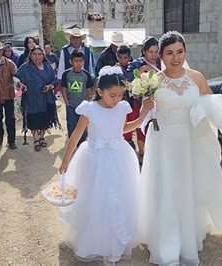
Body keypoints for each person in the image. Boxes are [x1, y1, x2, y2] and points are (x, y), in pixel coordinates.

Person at [136, 31, 222, 265]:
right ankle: (166, 244)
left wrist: (215, 119)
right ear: (161, 56)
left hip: (190, 142)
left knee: (187, 187)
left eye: (179, 52)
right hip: (163, 142)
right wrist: (145, 108)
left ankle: (187, 236)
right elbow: (146, 116)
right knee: (166, 188)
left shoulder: (196, 77)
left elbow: (210, 102)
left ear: (185, 52)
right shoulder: (153, 81)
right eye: (169, 53)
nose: (175, 58)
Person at [58, 66, 154, 263]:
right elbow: (77, 134)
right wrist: (66, 159)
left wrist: (143, 115)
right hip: (95, 158)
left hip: (119, 156)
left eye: (120, 95)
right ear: (100, 91)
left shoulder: (122, 107)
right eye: (112, 95)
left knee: (119, 197)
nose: (117, 99)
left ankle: (117, 239)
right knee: (96, 199)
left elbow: (125, 128)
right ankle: (95, 240)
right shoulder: (90, 109)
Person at [15, 46, 58, 151]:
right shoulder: (25, 67)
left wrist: (50, 86)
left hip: (46, 97)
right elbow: (16, 78)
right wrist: (21, 84)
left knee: (44, 118)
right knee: (34, 118)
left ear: (43, 56)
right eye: (34, 54)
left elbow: (54, 79)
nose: (37, 56)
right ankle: (35, 138)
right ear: (30, 55)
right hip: (31, 98)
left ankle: (42, 136)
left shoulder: (47, 66)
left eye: (39, 54)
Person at [125, 37, 161, 163]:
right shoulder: (136, 63)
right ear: (144, 51)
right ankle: (142, 152)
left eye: (156, 52)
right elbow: (127, 77)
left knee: (157, 127)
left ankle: (155, 152)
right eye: (151, 52)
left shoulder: (162, 63)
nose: (154, 55)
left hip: (160, 102)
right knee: (142, 127)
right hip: (142, 102)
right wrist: (142, 70)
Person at [61, 50, 94, 146]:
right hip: (71, 105)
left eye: (80, 61)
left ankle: (82, 145)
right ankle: (73, 144)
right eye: (75, 61)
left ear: (83, 61)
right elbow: (64, 89)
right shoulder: (66, 74)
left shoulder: (86, 74)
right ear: (71, 61)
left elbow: (89, 90)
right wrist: (67, 104)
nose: (78, 63)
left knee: (83, 126)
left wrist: (88, 103)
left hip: (83, 106)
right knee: (71, 125)